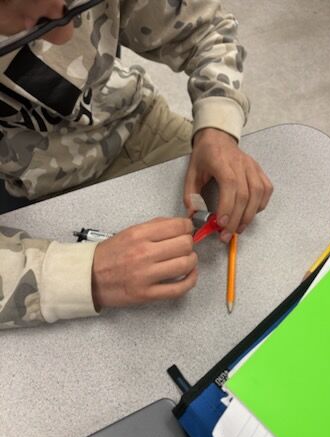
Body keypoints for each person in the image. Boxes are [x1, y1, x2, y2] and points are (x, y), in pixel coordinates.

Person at [0, 0, 273, 329]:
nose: (64, 36)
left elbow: (207, 27)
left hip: (139, 124)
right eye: (33, 22)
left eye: (74, 7)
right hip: (39, 193)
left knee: (263, 267)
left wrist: (217, 130)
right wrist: (84, 274)